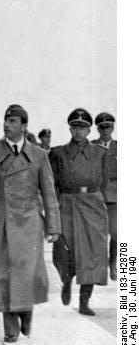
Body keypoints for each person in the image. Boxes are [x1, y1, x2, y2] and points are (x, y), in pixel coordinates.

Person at [0, 104, 60, 343]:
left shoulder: (39, 155)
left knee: (26, 273)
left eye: (12, 121)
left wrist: (53, 227)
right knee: (2, 274)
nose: (6, 125)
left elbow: (49, 193)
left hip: (29, 222)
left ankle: (27, 310)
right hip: (1, 221)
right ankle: (10, 327)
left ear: (24, 126)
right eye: (5, 120)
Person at [49, 108, 109, 315]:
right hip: (67, 202)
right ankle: (67, 279)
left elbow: (105, 181)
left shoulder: (100, 153)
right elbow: (52, 183)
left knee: (93, 252)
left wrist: (96, 201)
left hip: (92, 203)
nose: (79, 131)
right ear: (70, 128)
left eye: (83, 128)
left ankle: (85, 300)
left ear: (89, 130)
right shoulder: (58, 153)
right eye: (75, 127)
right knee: (64, 248)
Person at [92, 112, 117, 280]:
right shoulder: (91, 146)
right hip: (96, 196)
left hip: (116, 197)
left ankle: (113, 264)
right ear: (97, 129)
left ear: (113, 128)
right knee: (97, 234)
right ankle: (100, 264)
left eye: (108, 127)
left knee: (116, 233)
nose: (105, 130)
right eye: (102, 127)